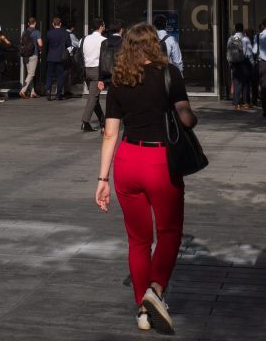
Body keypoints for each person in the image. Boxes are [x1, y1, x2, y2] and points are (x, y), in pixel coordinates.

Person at [95, 22, 197, 335]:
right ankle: (155, 289)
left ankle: (142, 308)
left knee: (138, 240)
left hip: (127, 161)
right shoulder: (170, 75)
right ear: (155, 45)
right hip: (160, 161)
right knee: (169, 232)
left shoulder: (120, 80)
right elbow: (185, 116)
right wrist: (191, 118)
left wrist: (102, 179)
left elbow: (110, 133)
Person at [80, 18, 108, 132]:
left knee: (93, 96)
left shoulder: (84, 39)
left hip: (86, 69)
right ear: (101, 26)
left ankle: (102, 120)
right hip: (97, 70)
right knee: (93, 97)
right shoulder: (104, 40)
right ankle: (85, 122)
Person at [227, 23, 254, 111]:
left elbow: (228, 51)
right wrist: (252, 63)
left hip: (234, 63)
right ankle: (246, 102)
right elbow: (249, 53)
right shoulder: (245, 39)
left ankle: (237, 103)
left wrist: (230, 62)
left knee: (236, 82)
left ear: (235, 29)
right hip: (244, 62)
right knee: (245, 82)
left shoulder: (231, 39)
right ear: (242, 29)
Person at [43, 16, 71, 101]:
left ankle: (48, 90)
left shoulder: (49, 33)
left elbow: (46, 45)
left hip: (51, 57)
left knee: (49, 75)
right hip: (60, 57)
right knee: (60, 76)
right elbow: (69, 45)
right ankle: (59, 94)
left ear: (53, 24)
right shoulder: (65, 33)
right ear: (60, 24)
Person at [18, 17, 41, 98]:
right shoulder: (37, 32)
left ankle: (32, 92)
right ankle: (23, 90)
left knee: (30, 74)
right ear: (35, 23)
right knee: (31, 74)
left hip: (25, 55)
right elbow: (40, 44)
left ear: (28, 23)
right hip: (33, 55)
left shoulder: (24, 32)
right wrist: (40, 49)